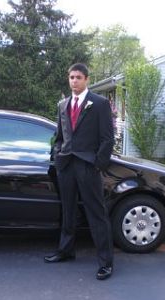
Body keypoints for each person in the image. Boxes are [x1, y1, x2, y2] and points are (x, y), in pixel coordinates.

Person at [44, 63, 115, 280]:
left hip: (87, 166)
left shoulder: (100, 103)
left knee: (97, 214)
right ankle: (66, 251)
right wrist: (58, 155)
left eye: (78, 77)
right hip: (66, 166)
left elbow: (107, 138)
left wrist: (97, 164)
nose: (74, 81)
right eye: (71, 77)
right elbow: (60, 136)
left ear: (86, 80)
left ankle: (105, 262)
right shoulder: (62, 105)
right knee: (68, 211)